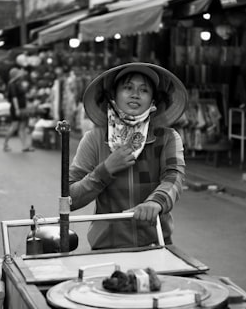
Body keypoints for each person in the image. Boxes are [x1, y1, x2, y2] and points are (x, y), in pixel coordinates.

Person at [68, 62, 188, 250]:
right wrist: (104, 171)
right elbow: (70, 199)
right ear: (113, 95)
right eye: (128, 87)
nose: (135, 94)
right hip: (107, 248)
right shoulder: (95, 139)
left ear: (153, 100)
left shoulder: (167, 138)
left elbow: (174, 178)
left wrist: (155, 202)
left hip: (156, 246)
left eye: (144, 90)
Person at [3, 67, 34, 152]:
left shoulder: (18, 83)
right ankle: (5, 144)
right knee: (14, 127)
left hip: (22, 108)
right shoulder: (12, 84)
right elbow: (14, 98)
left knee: (22, 127)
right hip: (16, 108)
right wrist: (17, 109)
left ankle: (25, 146)